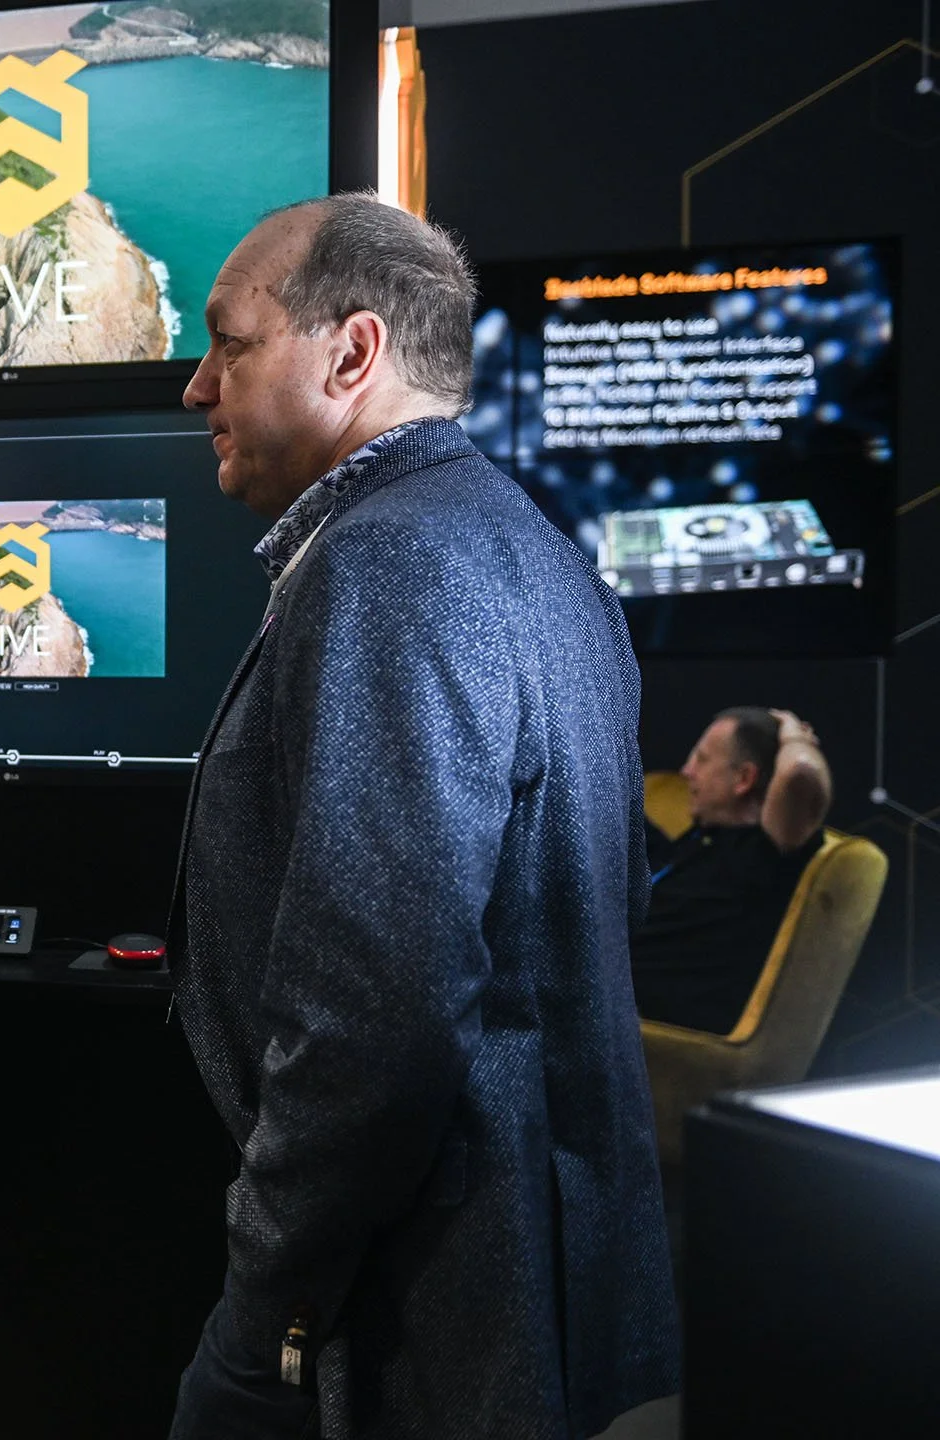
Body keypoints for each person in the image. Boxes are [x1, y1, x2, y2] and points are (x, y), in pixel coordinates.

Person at [165, 192, 679, 1439]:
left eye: (229, 342)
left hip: (419, 1311)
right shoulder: (542, 555)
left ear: (351, 354)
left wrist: (267, 1289)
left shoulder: (386, 562)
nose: (195, 387)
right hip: (548, 1284)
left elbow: (378, 1006)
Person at [631, 708, 833, 1033]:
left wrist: (794, 732)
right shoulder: (699, 841)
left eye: (702, 759)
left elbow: (800, 771)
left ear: (744, 779)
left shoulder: (764, 853)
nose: (686, 771)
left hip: (648, 1026)